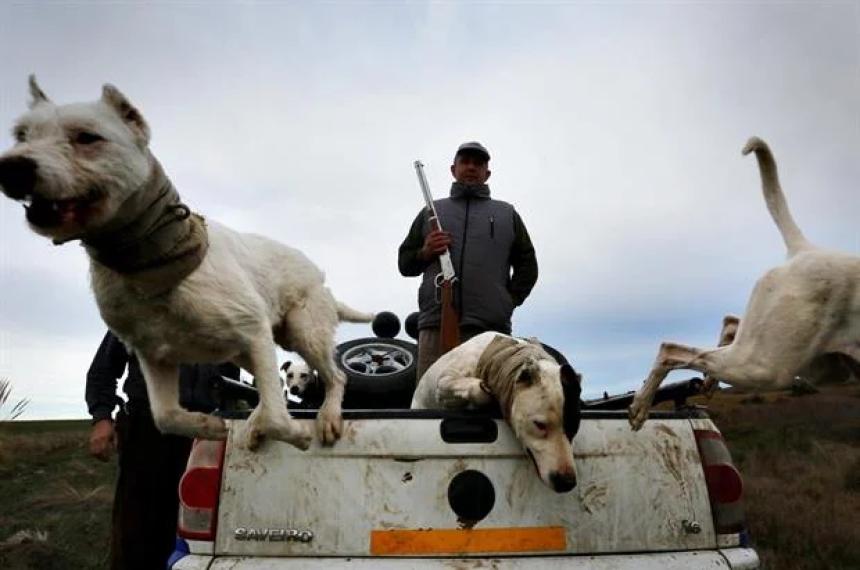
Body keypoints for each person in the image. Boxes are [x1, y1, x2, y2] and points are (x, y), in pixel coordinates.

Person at [86, 330, 239, 570]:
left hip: (204, 432)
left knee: (196, 527)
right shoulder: (137, 303)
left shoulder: (218, 316)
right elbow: (103, 370)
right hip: (148, 428)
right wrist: (102, 417)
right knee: (137, 528)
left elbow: (231, 384)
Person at [398, 141, 538, 381]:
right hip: (436, 326)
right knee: (432, 404)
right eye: (465, 162)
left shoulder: (507, 213)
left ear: (487, 173)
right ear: (454, 169)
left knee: (488, 402)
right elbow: (405, 264)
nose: (471, 167)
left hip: (491, 331)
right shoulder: (430, 212)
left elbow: (528, 267)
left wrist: (506, 302)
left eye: (478, 163)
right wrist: (426, 251)